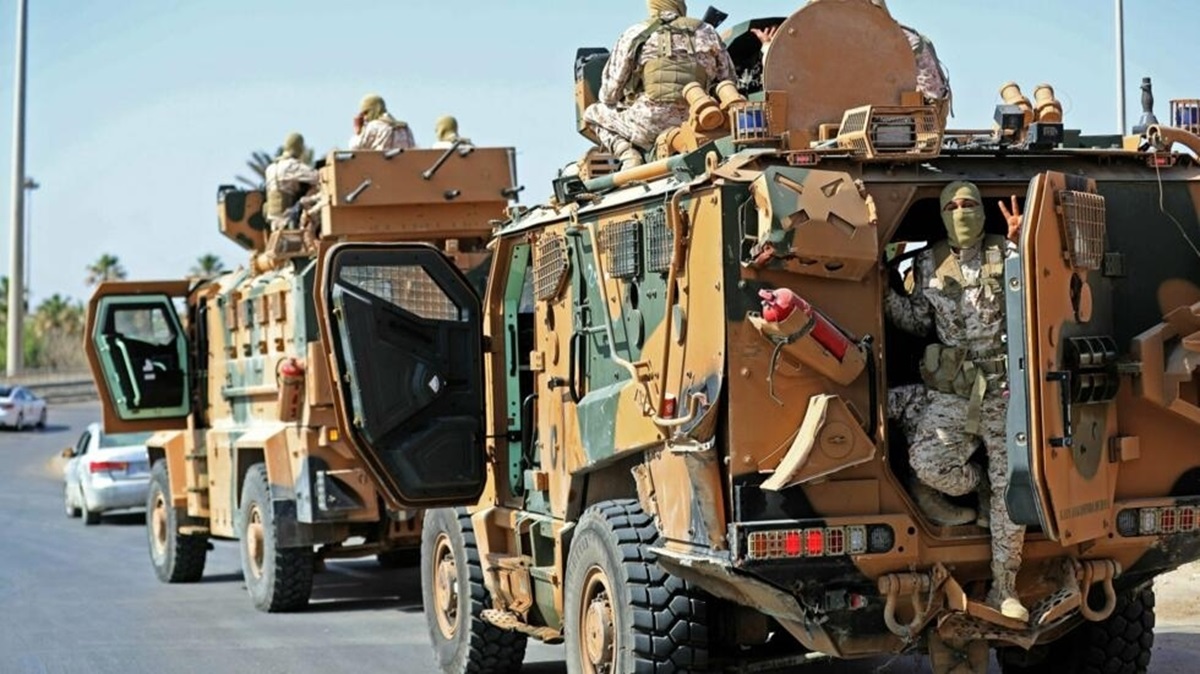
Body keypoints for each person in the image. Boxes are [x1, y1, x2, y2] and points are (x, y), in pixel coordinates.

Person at [885, 180, 1028, 622]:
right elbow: (916, 321)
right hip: (956, 391)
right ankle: (978, 484)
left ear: (981, 211)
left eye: (968, 204)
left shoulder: (1007, 251)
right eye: (952, 207)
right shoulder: (928, 262)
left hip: (1005, 390)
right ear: (943, 215)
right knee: (928, 463)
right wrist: (884, 284)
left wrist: (1023, 244)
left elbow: (1038, 294)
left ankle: (1006, 587)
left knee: (1010, 490)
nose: (961, 212)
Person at [583, 0, 735, 169]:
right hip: (700, 121)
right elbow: (728, 80)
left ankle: (628, 154)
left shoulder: (635, 34)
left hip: (649, 124)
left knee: (591, 114)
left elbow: (609, 95)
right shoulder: (708, 31)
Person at [753, 0, 951, 108]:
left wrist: (769, 48)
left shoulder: (907, 42)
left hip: (893, 133)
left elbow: (788, 77)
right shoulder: (905, 40)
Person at [264, 132, 319, 231]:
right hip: (288, 219)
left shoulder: (270, 168)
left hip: (273, 222)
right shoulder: (292, 166)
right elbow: (318, 177)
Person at [349, 94, 416, 151]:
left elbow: (355, 148)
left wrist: (357, 130)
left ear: (374, 110)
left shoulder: (374, 126)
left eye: (366, 113)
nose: (365, 118)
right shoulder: (405, 128)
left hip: (380, 162)